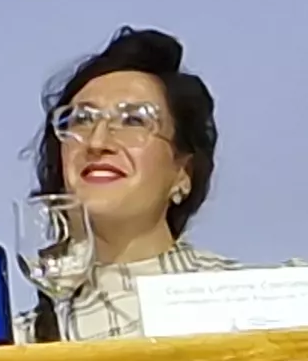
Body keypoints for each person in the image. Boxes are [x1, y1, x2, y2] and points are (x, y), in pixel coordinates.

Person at [22, 27, 243, 340]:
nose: (97, 142)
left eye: (134, 121)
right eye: (81, 120)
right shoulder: (15, 344)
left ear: (183, 172)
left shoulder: (254, 300)